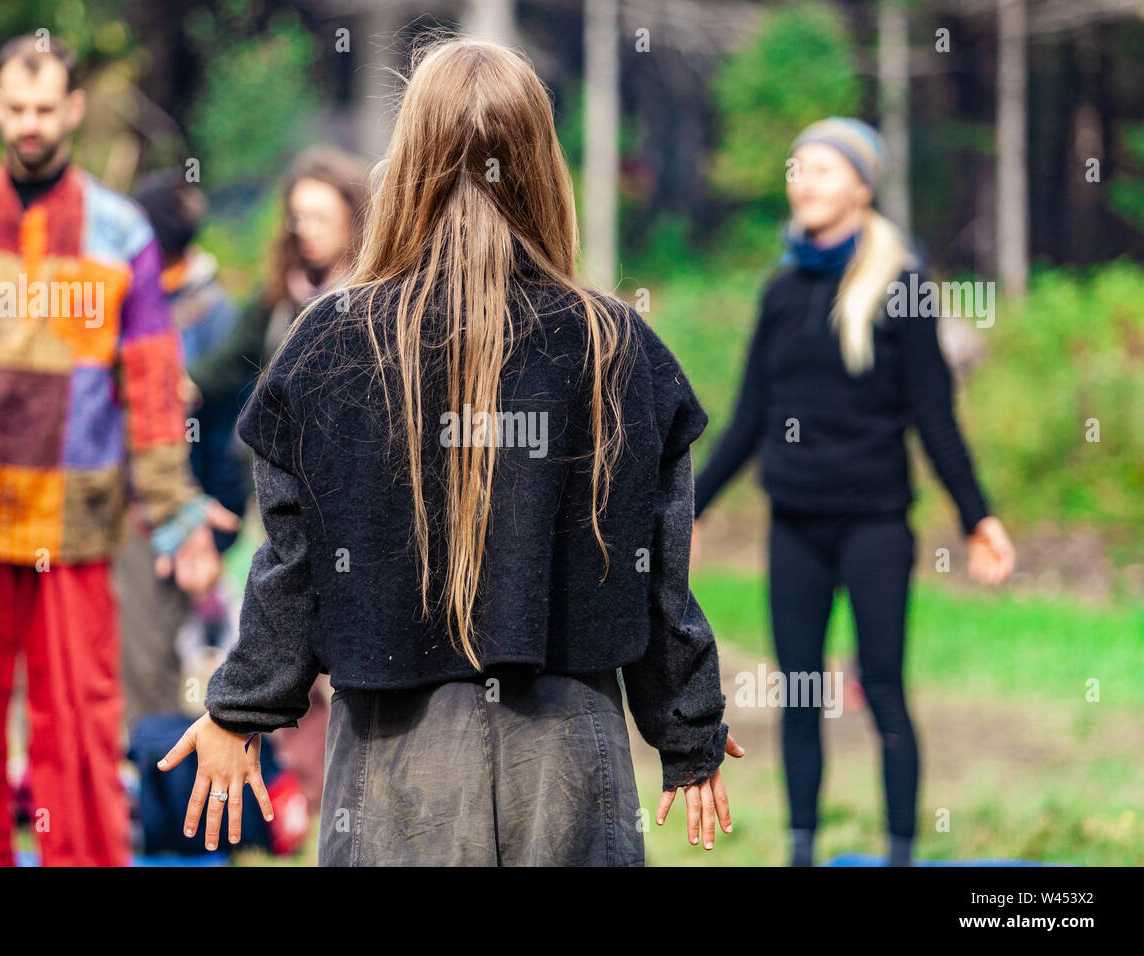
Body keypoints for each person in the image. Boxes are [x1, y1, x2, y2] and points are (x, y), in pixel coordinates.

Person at [158, 36, 744, 866]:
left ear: (408, 164)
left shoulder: (329, 342)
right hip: (571, 754)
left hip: (397, 760)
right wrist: (689, 730)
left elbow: (290, 561)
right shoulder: (617, 344)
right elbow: (661, 572)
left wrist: (242, 709)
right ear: (544, 164)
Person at [0, 36, 236, 866]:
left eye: (44, 109)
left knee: (84, 728)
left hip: (77, 522)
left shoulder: (119, 231)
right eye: (15, 109)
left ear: (72, 111)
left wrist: (177, 521)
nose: (29, 125)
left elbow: (153, 393)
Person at [691, 117, 1016, 866]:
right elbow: (747, 420)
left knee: (884, 690)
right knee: (799, 696)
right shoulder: (779, 292)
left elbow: (934, 417)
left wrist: (979, 518)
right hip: (794, 524)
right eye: (796, 169)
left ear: (863, 186)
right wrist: (691, 507)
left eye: (822, 169)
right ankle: (802, 851)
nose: (802, 181)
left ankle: (899, 851)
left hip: (875, 524)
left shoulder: (900, 289)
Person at [186, 145, 370, 817]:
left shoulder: (372, 299)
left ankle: (337, 797)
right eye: (298, 217)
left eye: (322, 216)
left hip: (349, 510)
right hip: (279, 503)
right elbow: (218, 371)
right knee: (288, 640)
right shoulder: (277, 296)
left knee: (334, 651)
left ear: (355, 218)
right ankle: (306, 798)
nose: (308, 229)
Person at [115, 170, 247, 732]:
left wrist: (214, 533)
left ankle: (149, 793)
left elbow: (229, 440)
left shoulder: (217, 319)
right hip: (104, 508)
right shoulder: (112, 300)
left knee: (150, 665)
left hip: (170, 520)